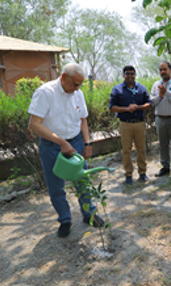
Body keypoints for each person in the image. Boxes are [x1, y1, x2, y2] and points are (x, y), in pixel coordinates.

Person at [28, 63, 104, 238]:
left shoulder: (78, 93)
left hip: (76, 142)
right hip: (52, 146)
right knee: (55, 185)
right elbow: (34, 125)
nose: (76, 89)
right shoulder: (45, 93)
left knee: (82, 181)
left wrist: (87, 143)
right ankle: (65, 220)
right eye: (74, 84)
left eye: (80, 85)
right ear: (63, 77)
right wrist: (60, 142)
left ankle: (89, 214)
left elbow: (83, 120)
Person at [109, 65, 151, 185]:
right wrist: (127, 109)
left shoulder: (141, 88)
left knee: (141, 149)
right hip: (125, 124)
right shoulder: (117, 89)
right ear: (123, 75)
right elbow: (112, 107)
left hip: (140, 123)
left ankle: (142, 173)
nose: (130, 76)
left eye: (132, 73)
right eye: (127, 74)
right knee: (126, 150)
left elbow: (149, 103)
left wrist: (138, 107)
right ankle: (128, 174)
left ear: (135, 75)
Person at [150, 61, 171, 177]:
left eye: (165, 69)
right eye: (160, 70)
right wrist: (160, 95)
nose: (162, 72)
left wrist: (167, 93)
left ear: (170, 70)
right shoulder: (155, 84)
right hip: (160, 119)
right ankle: (165, 167)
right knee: (163, 144)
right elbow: (152, 101)